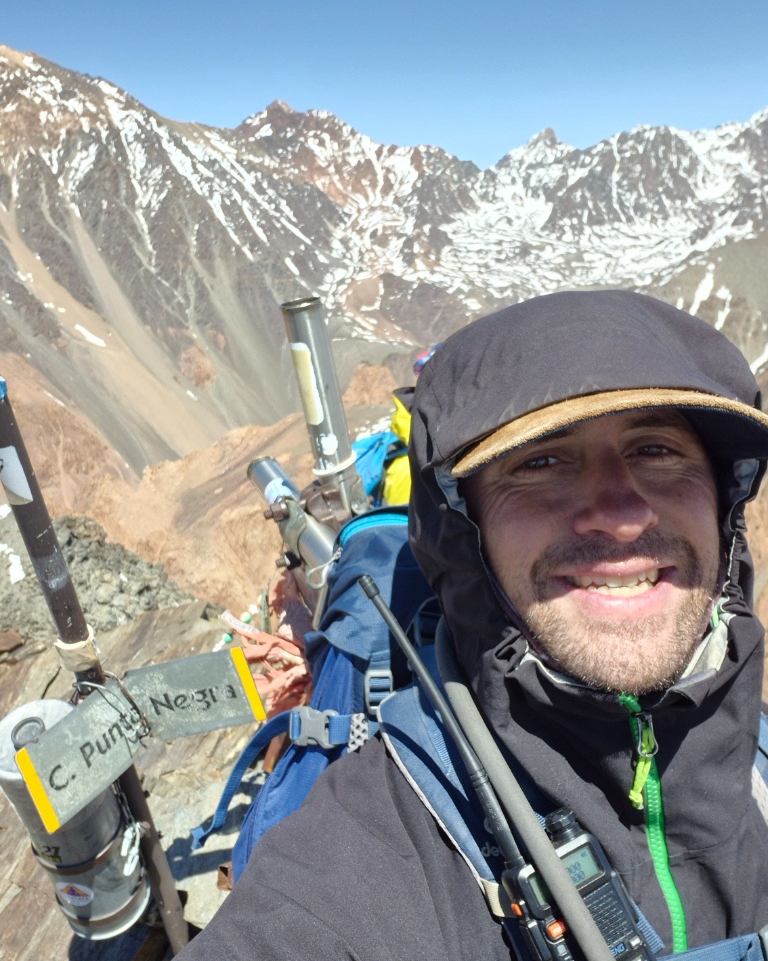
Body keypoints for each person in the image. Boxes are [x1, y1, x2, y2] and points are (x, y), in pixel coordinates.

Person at [180, 290, 768, 960]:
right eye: (541, 461)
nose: (621, 513)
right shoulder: (359, 858)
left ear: (723, 506)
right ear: (465, 531)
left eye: (657, 449)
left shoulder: (758, 759)